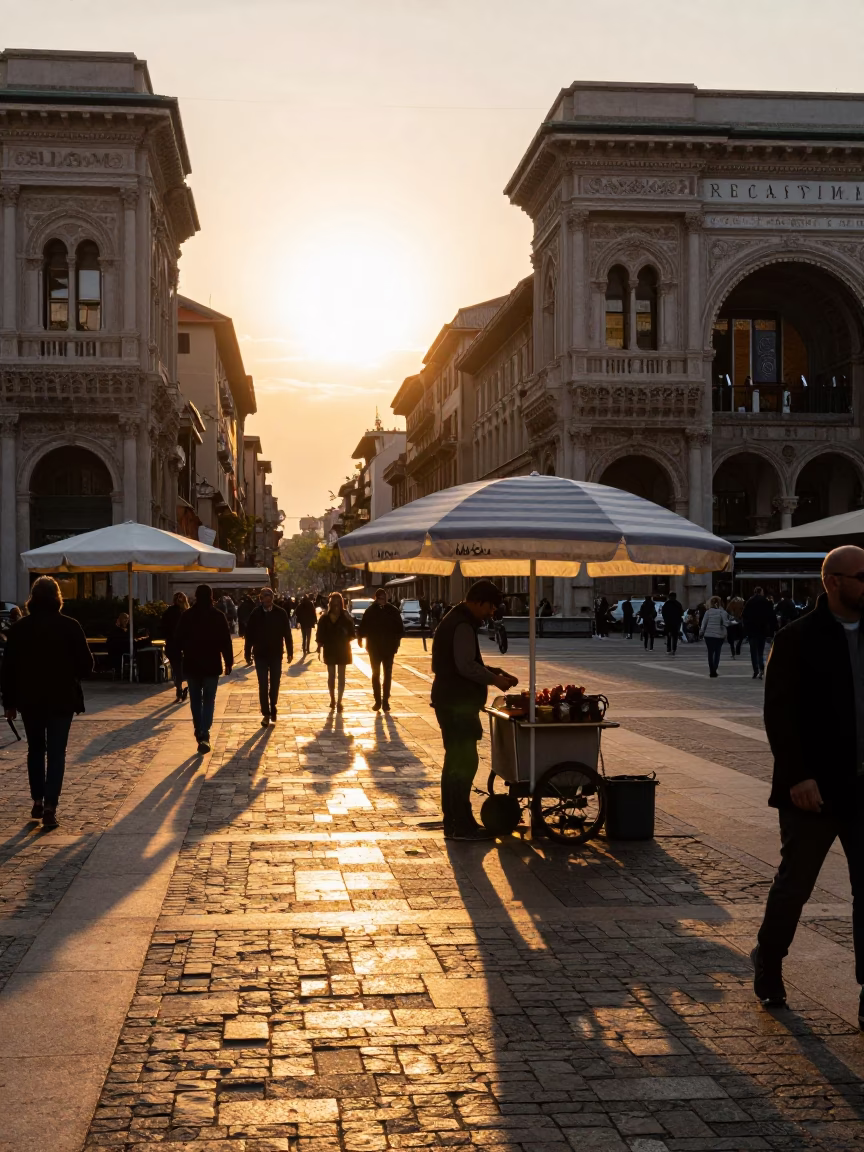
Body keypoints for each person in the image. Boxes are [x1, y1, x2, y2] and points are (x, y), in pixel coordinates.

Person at [753, 545, 864, 1018]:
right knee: (795, 884)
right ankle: (770, 962)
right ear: (833, 582)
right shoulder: (796, 637)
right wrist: (798, 775)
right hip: (812, 789)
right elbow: (779, 714)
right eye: (862, 576)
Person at [1, 576, 93, 829]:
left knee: (35, 750)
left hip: (30, 699)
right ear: (57, 598)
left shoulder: (19, 629)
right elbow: (87, 666)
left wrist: (8, 702)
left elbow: (7, 670)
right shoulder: (70, 626)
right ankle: (51, 805)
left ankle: (38, 800)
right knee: (56, 753)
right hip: (61, 698)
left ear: (32, 598)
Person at [431, 580, 518, 841]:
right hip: (456, 704)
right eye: (491, 607)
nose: (492, 612)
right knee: (462, 762)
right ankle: (460, 824)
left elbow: (467, 662)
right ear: (479, 601)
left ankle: (457, 821)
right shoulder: (462, 624)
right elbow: (466, 666)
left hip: (452, 701)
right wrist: (495, 680)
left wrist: (494, 671)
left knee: (457, 761)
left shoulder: (457, 619)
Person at [175, 584, 234, 754]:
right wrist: (228, 662)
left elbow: (178, 640)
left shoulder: (187, 616)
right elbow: (225, 641)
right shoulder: (218, 616)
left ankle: (199, 730)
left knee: (195, 700)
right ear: (211, 596)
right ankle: (205, 732)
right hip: (211, 665)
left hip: (192, 665)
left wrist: (179, 659)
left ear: (195, 596)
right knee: (209, 700)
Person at [244, 586, 293, 725]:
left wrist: (290, 651)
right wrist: (248, 653)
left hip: (276, 653)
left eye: (269, 596)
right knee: (263, 684)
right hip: (260, 654)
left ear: (272, 598)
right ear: (261, 599)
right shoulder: (255, 614)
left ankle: (273, 707)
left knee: (275, 683)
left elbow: (287, 633)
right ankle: (266, 713)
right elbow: (249, 635)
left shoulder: (281, 613)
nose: (267, 598)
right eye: (265, 596)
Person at [358, 587, 404, 712]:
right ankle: (377, 701)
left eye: (384, 598)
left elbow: (400, 629)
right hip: (374, 648)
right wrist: (360, 638)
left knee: (387, 674)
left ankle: (385, 701)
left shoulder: (392, 611)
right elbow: (363, 627)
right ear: (376, 598)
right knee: (376, 674)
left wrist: (396, 642)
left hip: (389, 648)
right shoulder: (370, 611)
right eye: (380, 598)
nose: (382, 601)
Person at [316, 592, 355, 711]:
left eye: (338, 603)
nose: (336, 606)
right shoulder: (325, 617)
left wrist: (346, 637)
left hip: (343, 649)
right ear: (330, 604)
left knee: (341, 676)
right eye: (334, 603)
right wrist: (319, 644)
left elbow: (352, 632)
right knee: (331, 676)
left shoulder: (346, 616)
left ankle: (339, 701)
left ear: (341, 603)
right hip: (330, 649)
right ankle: (332, 699)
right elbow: (320, 633)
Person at [743, 585, 776, 680]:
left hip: (752, 631)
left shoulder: (749, 602)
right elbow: (771, 616)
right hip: (762, 630)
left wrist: (746, 629)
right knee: (760, 652)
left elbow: (744, 616)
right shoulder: (766, 602)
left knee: (753, 652)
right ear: (761, 592)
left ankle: (755, 670)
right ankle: (761, 669)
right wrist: (772, 630)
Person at [161, 592, 189, 702]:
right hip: (184, 646)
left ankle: (179, 689)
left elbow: (163, 628)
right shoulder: (186, 613)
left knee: (177, 669)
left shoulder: (169, 612)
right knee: (186, 669)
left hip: (172, 645)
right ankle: (184, 688)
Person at [700, 595, 731, 677]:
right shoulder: (723, 612)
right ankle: (715, 668)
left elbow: (704, 624)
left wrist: (701, 632)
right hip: (719, 636)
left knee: (710, 653)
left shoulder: (708, 612)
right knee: (717, 652)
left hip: (709, 635)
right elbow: (726, 623)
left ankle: (711, 670)